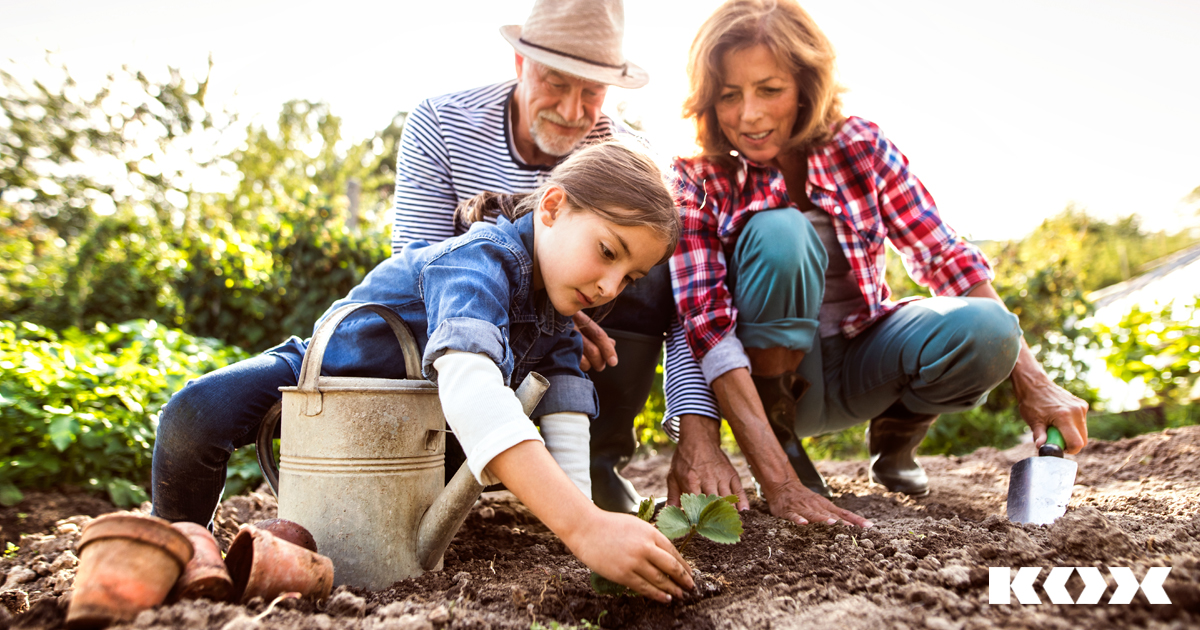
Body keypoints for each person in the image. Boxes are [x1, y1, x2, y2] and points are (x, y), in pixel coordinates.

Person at [150, 141, 693, 601]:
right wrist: (583, 527)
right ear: (552, 206)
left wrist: (584, 518)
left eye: (629, 277)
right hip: (324, 378)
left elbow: (566, 412)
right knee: (195, 413)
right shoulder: (479, 261)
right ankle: (179, 548)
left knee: (480, 453)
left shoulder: (559, 307)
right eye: (607, 252)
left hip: (410, 433)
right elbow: (471, 385)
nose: (608, 287)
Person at [661, 0, 1090, 528]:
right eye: (729, 95)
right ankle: (784, 443)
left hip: (864, 358)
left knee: (991, 330)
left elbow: (943, 256)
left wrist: (1034, 380)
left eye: (769, 89)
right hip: (770, 385)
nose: (748, 115)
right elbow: (704, 327)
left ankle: (895, 436)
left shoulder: (860, 145)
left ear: (804, 85)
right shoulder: (697, 178)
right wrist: (781, 483)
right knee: (781, 231)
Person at [392, 0, 677, 513]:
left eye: (591, 91)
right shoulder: (441, 123)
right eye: (556, 82)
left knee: (644, 254)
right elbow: (421, 261)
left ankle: (596, 460)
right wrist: (537, 309)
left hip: (562, 325)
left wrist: (576, 311)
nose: (572, 111)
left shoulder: (623, 152)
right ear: (520, 64)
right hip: (465, 322)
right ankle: (448, 451)